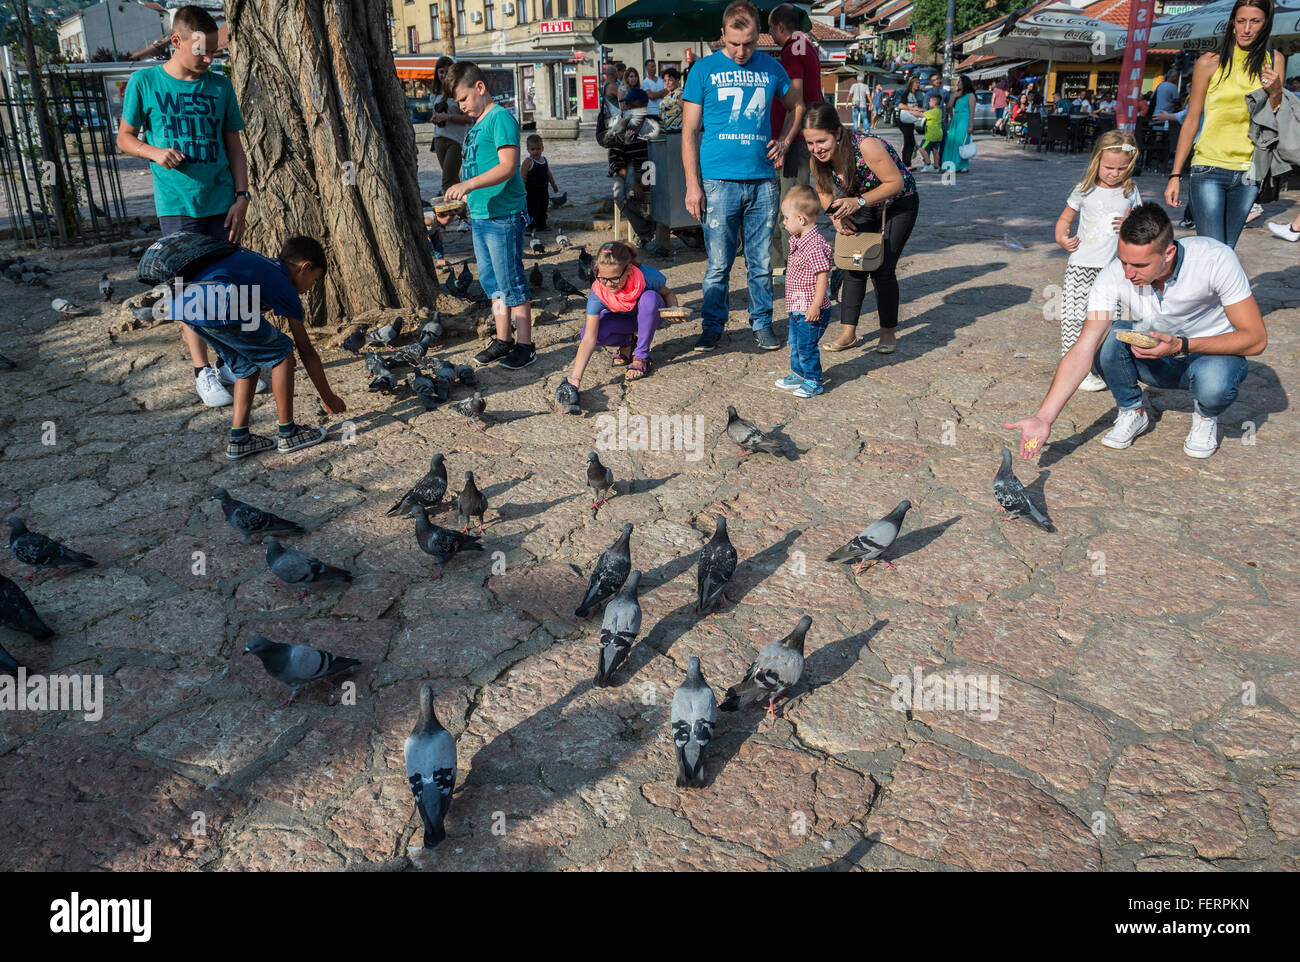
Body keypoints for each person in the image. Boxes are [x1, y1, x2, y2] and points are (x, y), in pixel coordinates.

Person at [1006, 203, 1266, 461]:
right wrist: (1043, 417)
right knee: (1107, 337)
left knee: (1216, 385)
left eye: (1140, 265)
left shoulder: (1214, 259)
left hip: (1210, 356)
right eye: (1123, 261)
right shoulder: (1114, 275)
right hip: (1157, 357)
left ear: (1168, 253)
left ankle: (1206, 414)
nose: (1128, 273)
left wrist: (1181, 345)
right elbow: (1083, 348)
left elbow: (1255, 339)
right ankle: (1132, 410)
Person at [117, 4, 250, 409]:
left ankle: (234, 361)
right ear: (176, 41)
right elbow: (124, 137)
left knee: (228, 283)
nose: (209, 59)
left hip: (223, 201)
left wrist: (242, 198)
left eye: (213, 52)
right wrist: (153, 152)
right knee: (189, 289)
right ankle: (202, 370)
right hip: (177, 205)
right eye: (201, 51)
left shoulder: (219, 85)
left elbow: (234, 146)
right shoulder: (144, 83)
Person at [681, 0, 804, 352]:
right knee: (718, 264)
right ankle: (712, 326)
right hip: (718, 182)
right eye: (733, 43)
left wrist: (784, 140)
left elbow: (797, 106)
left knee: (761, 262)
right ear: (722, 35)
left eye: (749, 43)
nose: (740, 51)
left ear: (759, 36)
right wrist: (692, 185)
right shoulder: (703, 70)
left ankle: (762, 323)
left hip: (763, 181)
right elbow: (689, 132)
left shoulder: (772, 68)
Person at [180, 236, 343, 459]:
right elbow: (306, 351)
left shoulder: (263, 266)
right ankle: (288, 432)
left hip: (186, 306)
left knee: (247, 364)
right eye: (314, 280)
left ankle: (239, 439)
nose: (311, 288)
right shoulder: (284, 285)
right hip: (220, 303)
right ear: (305, 267)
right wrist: (329, 398)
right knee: (283, 353)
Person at [1165, 0, 1286, 248]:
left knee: (1226, 251)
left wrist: (1275, 92)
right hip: (1208, 166)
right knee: (1212, 250)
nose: (1247, 29)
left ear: (1266, 25)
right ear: (1232, 24)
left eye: (1255, 21)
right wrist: (1175, 174)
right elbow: (1191, 120)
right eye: (1241, 21)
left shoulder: (1273, 61)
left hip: (1250, 170)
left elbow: (1276, 119)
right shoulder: (1209, 62)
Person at [803, 102, 918, 354]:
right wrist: (835, 216)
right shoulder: (817, 159)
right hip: (857, 204)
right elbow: (824, 191)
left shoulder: (865, 146)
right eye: (810, 143)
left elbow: (895, 182)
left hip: (898, 203)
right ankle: (848, 333)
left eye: (821, 141)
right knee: (853, 263)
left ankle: (887, 332)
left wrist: (858, 202)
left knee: (883, 268)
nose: (816, 149)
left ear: (837, 133)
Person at [441, 62, 535, 369]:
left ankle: (525, 345)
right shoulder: (477, 122)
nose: (462, 106)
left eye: (464, 99)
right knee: (493, 283)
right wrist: (463, 199)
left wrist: (467, 184)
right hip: (481, 215)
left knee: (512, 283)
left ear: (480, 87)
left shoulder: (500, 119)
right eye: (458, 103)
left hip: (503, 216)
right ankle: (503, 339)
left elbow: (507, 167)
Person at [1053, 130, 1142, 393]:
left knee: (1109, 318)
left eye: (1121, 168)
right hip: (1082, 264)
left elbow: (1142, 227)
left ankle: (1102, 364)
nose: (1114, 173)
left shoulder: (1131, 191)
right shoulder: (1084, 189)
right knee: (1073, 316)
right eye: (1109, 167)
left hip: (1114, 269)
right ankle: (1073, 368)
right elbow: (1065, 219)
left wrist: (1130, 223)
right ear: (1097, 162)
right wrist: (1061, 237)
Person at [561, 241, 678, 394]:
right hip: (625, 322)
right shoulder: (598, 292)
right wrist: (575, 379)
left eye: (614, 278)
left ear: (629, 269)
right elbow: (589, 338)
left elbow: (668, 294)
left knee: (649, 298)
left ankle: (641, 356)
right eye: (603, 278)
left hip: (649, 315)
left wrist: (674, 309)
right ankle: (627, 341)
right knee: (588, 334)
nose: (608, 284)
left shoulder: (645, 276)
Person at [768, 2, 824, 277]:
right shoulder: (806, 45)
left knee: (789, 205)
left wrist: (783, 141)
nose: (770, 34)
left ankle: (788, 265)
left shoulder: (792, 50)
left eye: (770, 28)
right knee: (793, 201)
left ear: (781, 26)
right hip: (804, 136)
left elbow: (797, 101)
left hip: (796, 139)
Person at [774, 185, 833, 397]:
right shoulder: (799, 241)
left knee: (807, 346)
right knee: (796, 344)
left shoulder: (814, 245)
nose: (783, 222)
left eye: (786, 218)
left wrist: (816, 305)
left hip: (810, 309)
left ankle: (814, 381)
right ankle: (798, 374)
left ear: (800, 219)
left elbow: (822, 276)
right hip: (797, 307)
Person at [521, 134, 558, 232]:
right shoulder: (528, 162)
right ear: (528, 150)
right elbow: (522, 176)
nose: (536, 151)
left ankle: (542, 225)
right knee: (532, 209)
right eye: (532, 149)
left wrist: (553, 184)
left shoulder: (544, 160)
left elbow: (548, 173)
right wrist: (523, 188)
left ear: (542, 148)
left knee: (543, 207)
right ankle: (530, 226)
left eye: (538, 149)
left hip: (543, 190)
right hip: (532, 192)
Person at [942, 75, 975, 174]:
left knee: (961, 143)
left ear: (965, 83)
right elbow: (949, 108)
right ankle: (954, 165)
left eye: (960, 81)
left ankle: (961, 165)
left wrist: (970, 125)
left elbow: (972, 111)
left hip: (964, 120)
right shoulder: (955, 95)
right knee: (952, 143)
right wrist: (953, 97)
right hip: (955, 120)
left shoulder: (971, 95)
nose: (958, 83)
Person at [896, 76, 926, 168]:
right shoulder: (907, 93)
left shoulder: (915, 94)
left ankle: (907, 163)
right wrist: (912, 108)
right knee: (909, 141)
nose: (918, 85)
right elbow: (900, 105)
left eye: (919, 83)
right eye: (916, 83)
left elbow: (914, 107)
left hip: (910, 120)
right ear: (911, 84)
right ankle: (906, 164)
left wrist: (920, 110)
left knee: (910, 142)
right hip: (904, 120)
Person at [919, 94, 943, 171]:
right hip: (938, 134)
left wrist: (911, 112)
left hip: (931, 135)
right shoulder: (939, 111)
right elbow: (929, 112)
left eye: (930, 101)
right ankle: (936, 167)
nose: (929, 102)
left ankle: (928, 164)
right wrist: (922, 109)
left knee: (922, 148)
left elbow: (921, 115)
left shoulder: (932, 112)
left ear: (934, 102)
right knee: (935, 150)